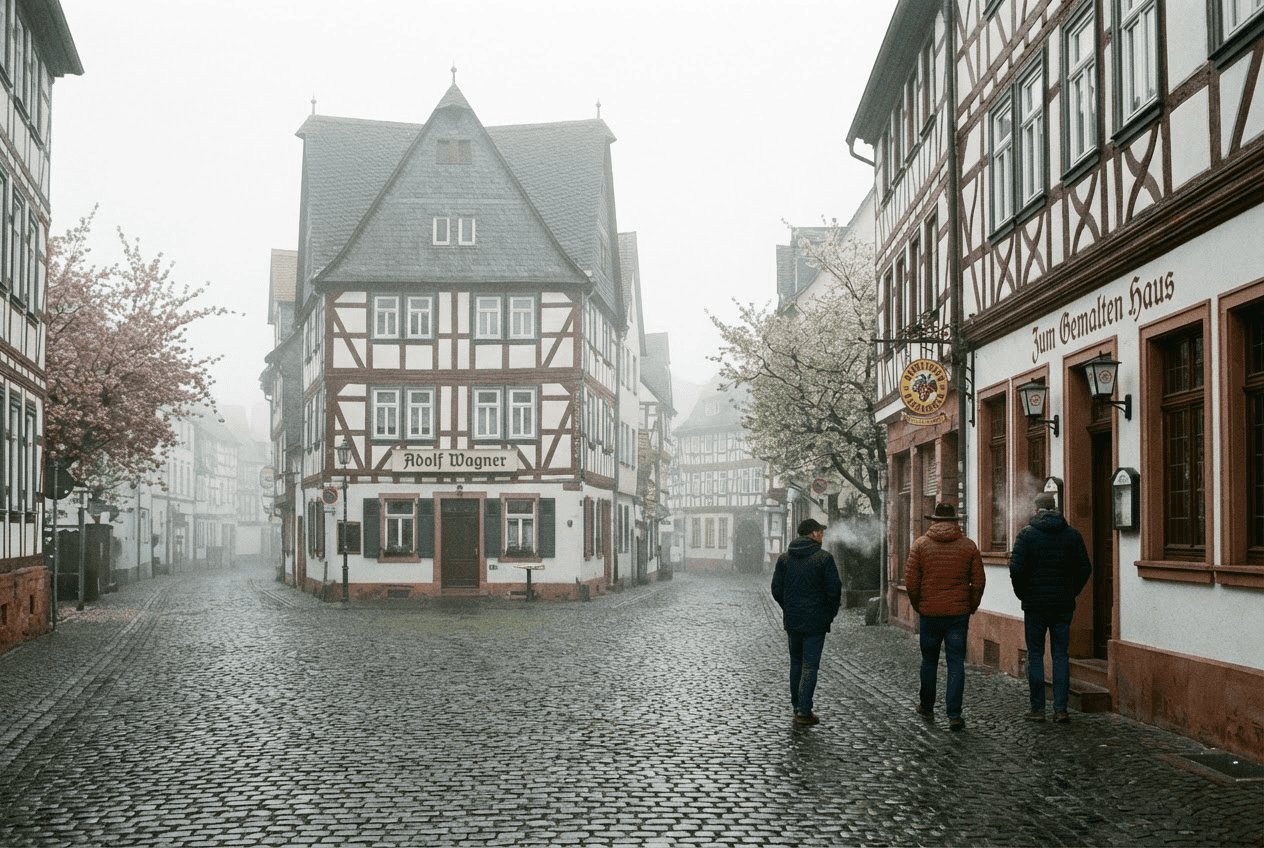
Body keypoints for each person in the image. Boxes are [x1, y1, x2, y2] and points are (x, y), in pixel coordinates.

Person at [1009, 492, 1092, 724]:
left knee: (1035, 654)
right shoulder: (1072, 534)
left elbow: (1016, 569)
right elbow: (1085, 568)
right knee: (1060, 655)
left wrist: (1023, 593)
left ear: (1037, 509)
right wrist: (1070, 591)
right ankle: (1061, 709)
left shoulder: (1026, 535)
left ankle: (1037, 710)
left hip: (1035, 605)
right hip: (1063, 604)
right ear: (1054, 508)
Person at [905, 501, 985, 732]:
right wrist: (970, 605)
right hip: (958, 615)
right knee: (956, 663)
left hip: (930, 614)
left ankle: (927, 707)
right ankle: (954, 715)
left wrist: (919, 605)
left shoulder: (920, 545)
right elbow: (978, 581)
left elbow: (911, 582)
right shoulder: (968, 546)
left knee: (929, 661)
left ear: (934, 521)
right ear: (954, 522)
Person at [771, 517, 842, 726]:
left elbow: (776, 589)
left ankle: (797, 706)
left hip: (793, 620)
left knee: (796, 663)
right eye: (821, 532)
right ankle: (804, 710)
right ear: (813, 534)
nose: (822, 536)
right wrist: (828, 614)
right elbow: (834, 591)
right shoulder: (824, 558)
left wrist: (789, 607)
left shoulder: (784, 559)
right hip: (816, 622)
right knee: (810, 665)